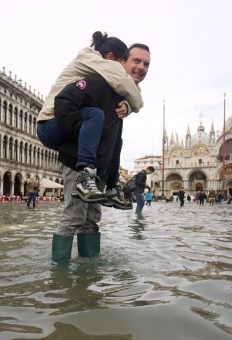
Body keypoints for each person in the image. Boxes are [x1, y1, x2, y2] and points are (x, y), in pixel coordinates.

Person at [50, 39, 151, 263]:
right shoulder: (98, 81)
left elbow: (115, 140)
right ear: (120, 62)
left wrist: (110, 175)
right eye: (136, 61)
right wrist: (77, 135)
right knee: (74, 215)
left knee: (92, 218)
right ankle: (59, 277)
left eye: (146, 64)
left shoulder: (123, 96)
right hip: (79, 161)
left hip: (100, 168)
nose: (142, 68)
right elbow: (63, 103)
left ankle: (89, 270)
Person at [37, 31, 142, 205]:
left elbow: (126, 89)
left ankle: (109, 184)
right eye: (121, 63)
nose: (122, 68)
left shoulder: (93, 65)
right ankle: (86, 175)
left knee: (114, 131)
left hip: (66, 124)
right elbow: (131, 89)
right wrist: (134, 104)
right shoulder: (93, 60)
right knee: (96, 115)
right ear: (110, 57)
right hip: (51, 123)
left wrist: (127, 106)